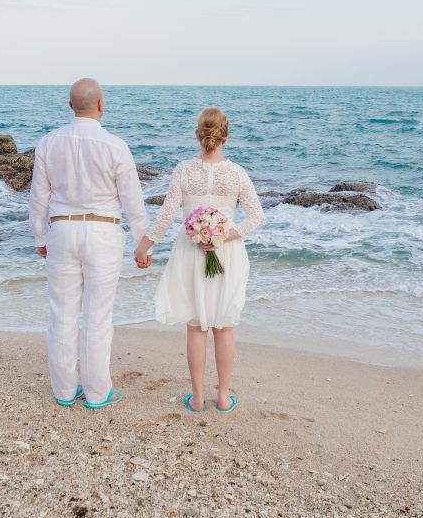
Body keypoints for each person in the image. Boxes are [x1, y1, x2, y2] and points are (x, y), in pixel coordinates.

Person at [134, 107, 266, 414]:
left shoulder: (183, 170)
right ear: (226, 138)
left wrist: (144, 246)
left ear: (197, 135)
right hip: (226, 252)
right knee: (224, 327)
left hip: (191, 251)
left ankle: (196, 397)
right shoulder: (236, 173)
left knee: (196, 326)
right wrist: (224, 235)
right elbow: (258, 218)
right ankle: (222, 396)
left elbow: (167, 215)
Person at [28, 78, 150, 409]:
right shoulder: (116, 146)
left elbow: (39, 197)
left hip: (62, 230)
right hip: (103, 233)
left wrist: (40, 236)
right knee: (97, 315)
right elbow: (133, 201)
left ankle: (65, 391)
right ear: (101, 105)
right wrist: (143, 242)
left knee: (62, 313)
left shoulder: (48, 143)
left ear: (70, 106)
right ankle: (97, 393)